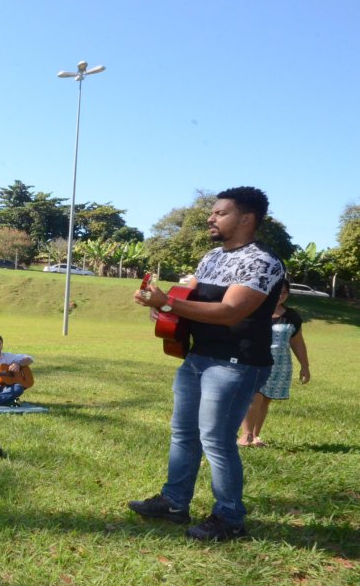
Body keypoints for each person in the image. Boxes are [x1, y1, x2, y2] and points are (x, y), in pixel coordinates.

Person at [131, 186, 286, 542]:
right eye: (212, 212)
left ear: (246, 218)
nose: (210, 217)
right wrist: (162, 305)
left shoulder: (262, 261)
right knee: (184, 433)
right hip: (199, 356)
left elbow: (230, 311)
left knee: (216, 439)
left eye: (220, 213)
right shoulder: (212, 257)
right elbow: (191, 298)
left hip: (237, 363)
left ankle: (230, 518)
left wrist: (170, 304)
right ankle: (174, 502)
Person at [238, 279, 311, 447]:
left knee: (265, 400)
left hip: (280, 364)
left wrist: (305, 366)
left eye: (284, 292)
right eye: (277, 291)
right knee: (254, 396)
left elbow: (297, 342)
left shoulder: (292, 316)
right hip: (254, 360)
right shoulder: (256, 309)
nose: (280, 295)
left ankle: (256, 436)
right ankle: (246, 435)